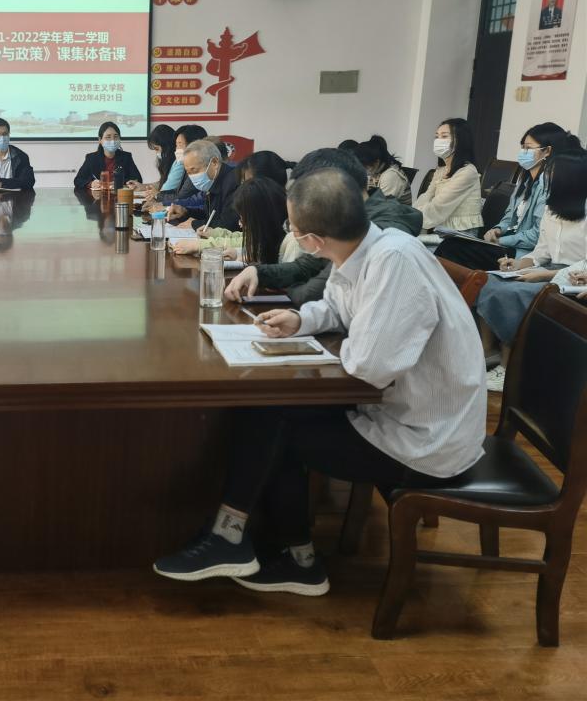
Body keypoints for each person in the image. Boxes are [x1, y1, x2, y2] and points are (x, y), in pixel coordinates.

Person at [154, 165, 486, 594]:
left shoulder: (394, 262)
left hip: (424, 438)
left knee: (272, 425)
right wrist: (300, 320)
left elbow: (370, 366)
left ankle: (257, 547)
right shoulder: (365, 248)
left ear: (310, 239)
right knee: (267, 411)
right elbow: (335, 308)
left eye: (292, 228)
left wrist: (343, 341)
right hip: (397, 410)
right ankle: (281, 551)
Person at [224, 148, 424, 305]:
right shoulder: (347, 220)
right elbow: (308, 266)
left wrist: (288, 293)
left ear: (334, 186)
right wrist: (260, 273)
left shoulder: (382, 233)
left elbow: (316, 291)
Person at [476, 150, 587, 391]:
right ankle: (488, 351)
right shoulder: (551, 208)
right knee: (489, 281)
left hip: (574, 278)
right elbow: (542, 251)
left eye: (552, 174)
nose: (546, 178)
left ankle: (508, 368)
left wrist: (542, 275)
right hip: (547, 268)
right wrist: (519, 265)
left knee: (514, 293)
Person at [436, 123, 572, 271]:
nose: (523, 152)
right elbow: (510, 215)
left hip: (523, 254)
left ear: (547, 151)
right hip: (508, 245)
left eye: (528, 148)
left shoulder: (549, 185)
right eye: (522, 147)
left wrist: (502, 240)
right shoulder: (524, 180)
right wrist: (498, 229)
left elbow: (537, 234)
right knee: (451, 245)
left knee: (453, 249)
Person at [171, 151, 289, 256]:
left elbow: (251, 243)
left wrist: (200, 245)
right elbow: (247, 238)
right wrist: (215, 234)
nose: (242, 187)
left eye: (247, 182)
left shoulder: (278, 214)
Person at [414, 118, 482, 234]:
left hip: (459, 235)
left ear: (460, 141)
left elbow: (439, 205)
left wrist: (410, 218)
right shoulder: (441, 170)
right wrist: (409, 212)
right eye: (437, 136)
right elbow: (427, 196)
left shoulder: (468, 172)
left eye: (444, 136)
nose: (438, 141)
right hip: (440, 229)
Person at [165, 140, 239, 232]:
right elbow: (210, 215)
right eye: (189, 172)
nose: (192, 177)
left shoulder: (234, 182)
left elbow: (230, 225)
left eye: (194, 170)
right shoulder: (212, 181)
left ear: (214, 162)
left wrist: (194, 224)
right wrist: (186, 212)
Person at [73, 121, 143, 194]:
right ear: (100, 140)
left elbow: (138, 179)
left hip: (120, 197)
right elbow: (78, 180)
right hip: (98, 198)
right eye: (108, 137)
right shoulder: (91, 158)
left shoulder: (126, 157)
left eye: (116, 136)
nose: (112, 140)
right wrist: (91, 183)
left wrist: (118, 183)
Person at [354, 136, 411, 204]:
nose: (362, 169)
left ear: (376, 162)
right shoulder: (377, 171)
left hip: (397, 210)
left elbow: (380, 206)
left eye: (364, 166)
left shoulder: (391, 176)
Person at [127, 124, 176, 195]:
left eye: (157, 149)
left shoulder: (178, 163)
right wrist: (142, 186)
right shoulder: (167, 162)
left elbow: (167, 188)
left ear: (167, 146)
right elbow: (163, 183)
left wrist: (156, 195)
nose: (156, 153)